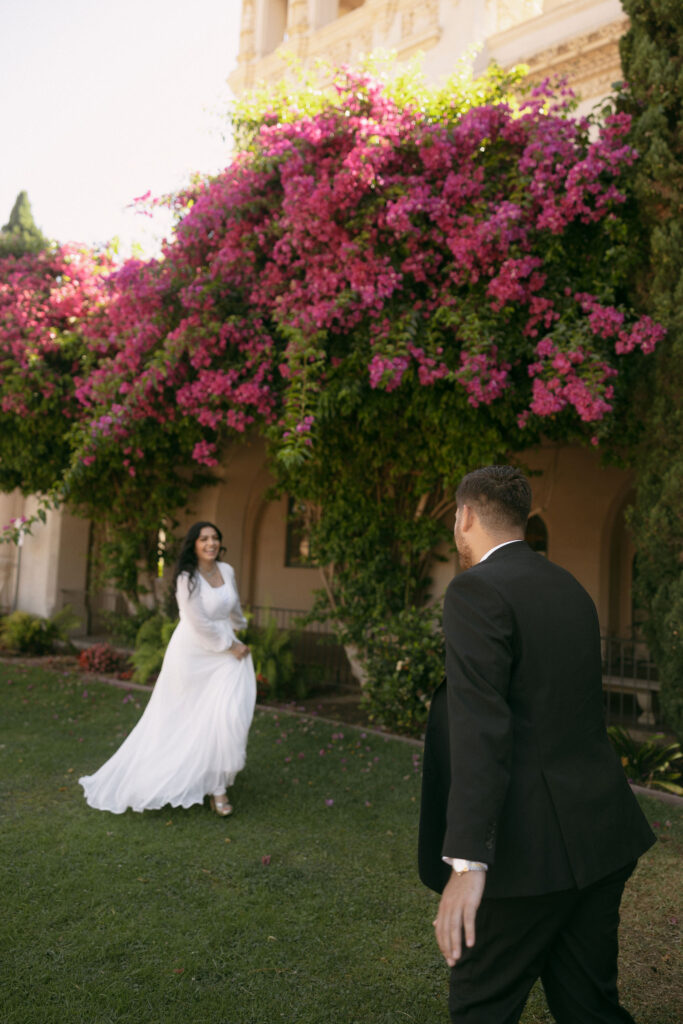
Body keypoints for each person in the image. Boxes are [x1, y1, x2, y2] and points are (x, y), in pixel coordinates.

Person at [418, 466, 655, 1024]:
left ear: (465, 517)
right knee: (591, 1007)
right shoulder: (569, 585)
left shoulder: (474, 589)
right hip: (598, 838)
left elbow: (482, 728)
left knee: (481, 1009)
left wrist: (468, 864)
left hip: (525, 858)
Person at [80, 521, 256, 817]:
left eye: (215, 538)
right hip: (193, 653)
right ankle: (213, 788)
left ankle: (215, 779)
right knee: (186, 719)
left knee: (224, 713)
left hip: (224, 651)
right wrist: (232, 645)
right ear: (194, 545)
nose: (211, 543)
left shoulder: (227, 571)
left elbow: (232, 605)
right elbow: (197, 621)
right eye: (204, 539)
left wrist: (241, 626)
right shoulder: (187, 578)